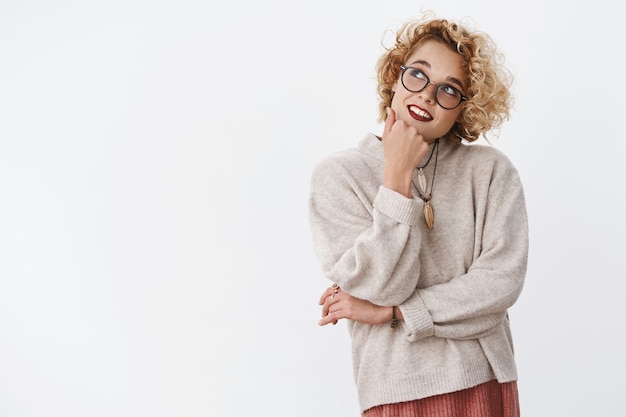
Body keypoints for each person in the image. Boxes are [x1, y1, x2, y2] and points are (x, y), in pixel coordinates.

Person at [308, 14, 528, 417]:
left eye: (449, 89)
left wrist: (394, 314)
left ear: (464, 107)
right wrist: (397, 177)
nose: (427, 95)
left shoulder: (492, 172)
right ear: (395, 76)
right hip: (394, 390)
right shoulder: (338, 176)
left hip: (482, 379)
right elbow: (381, 284)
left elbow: (499, 286)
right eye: (417, 75)